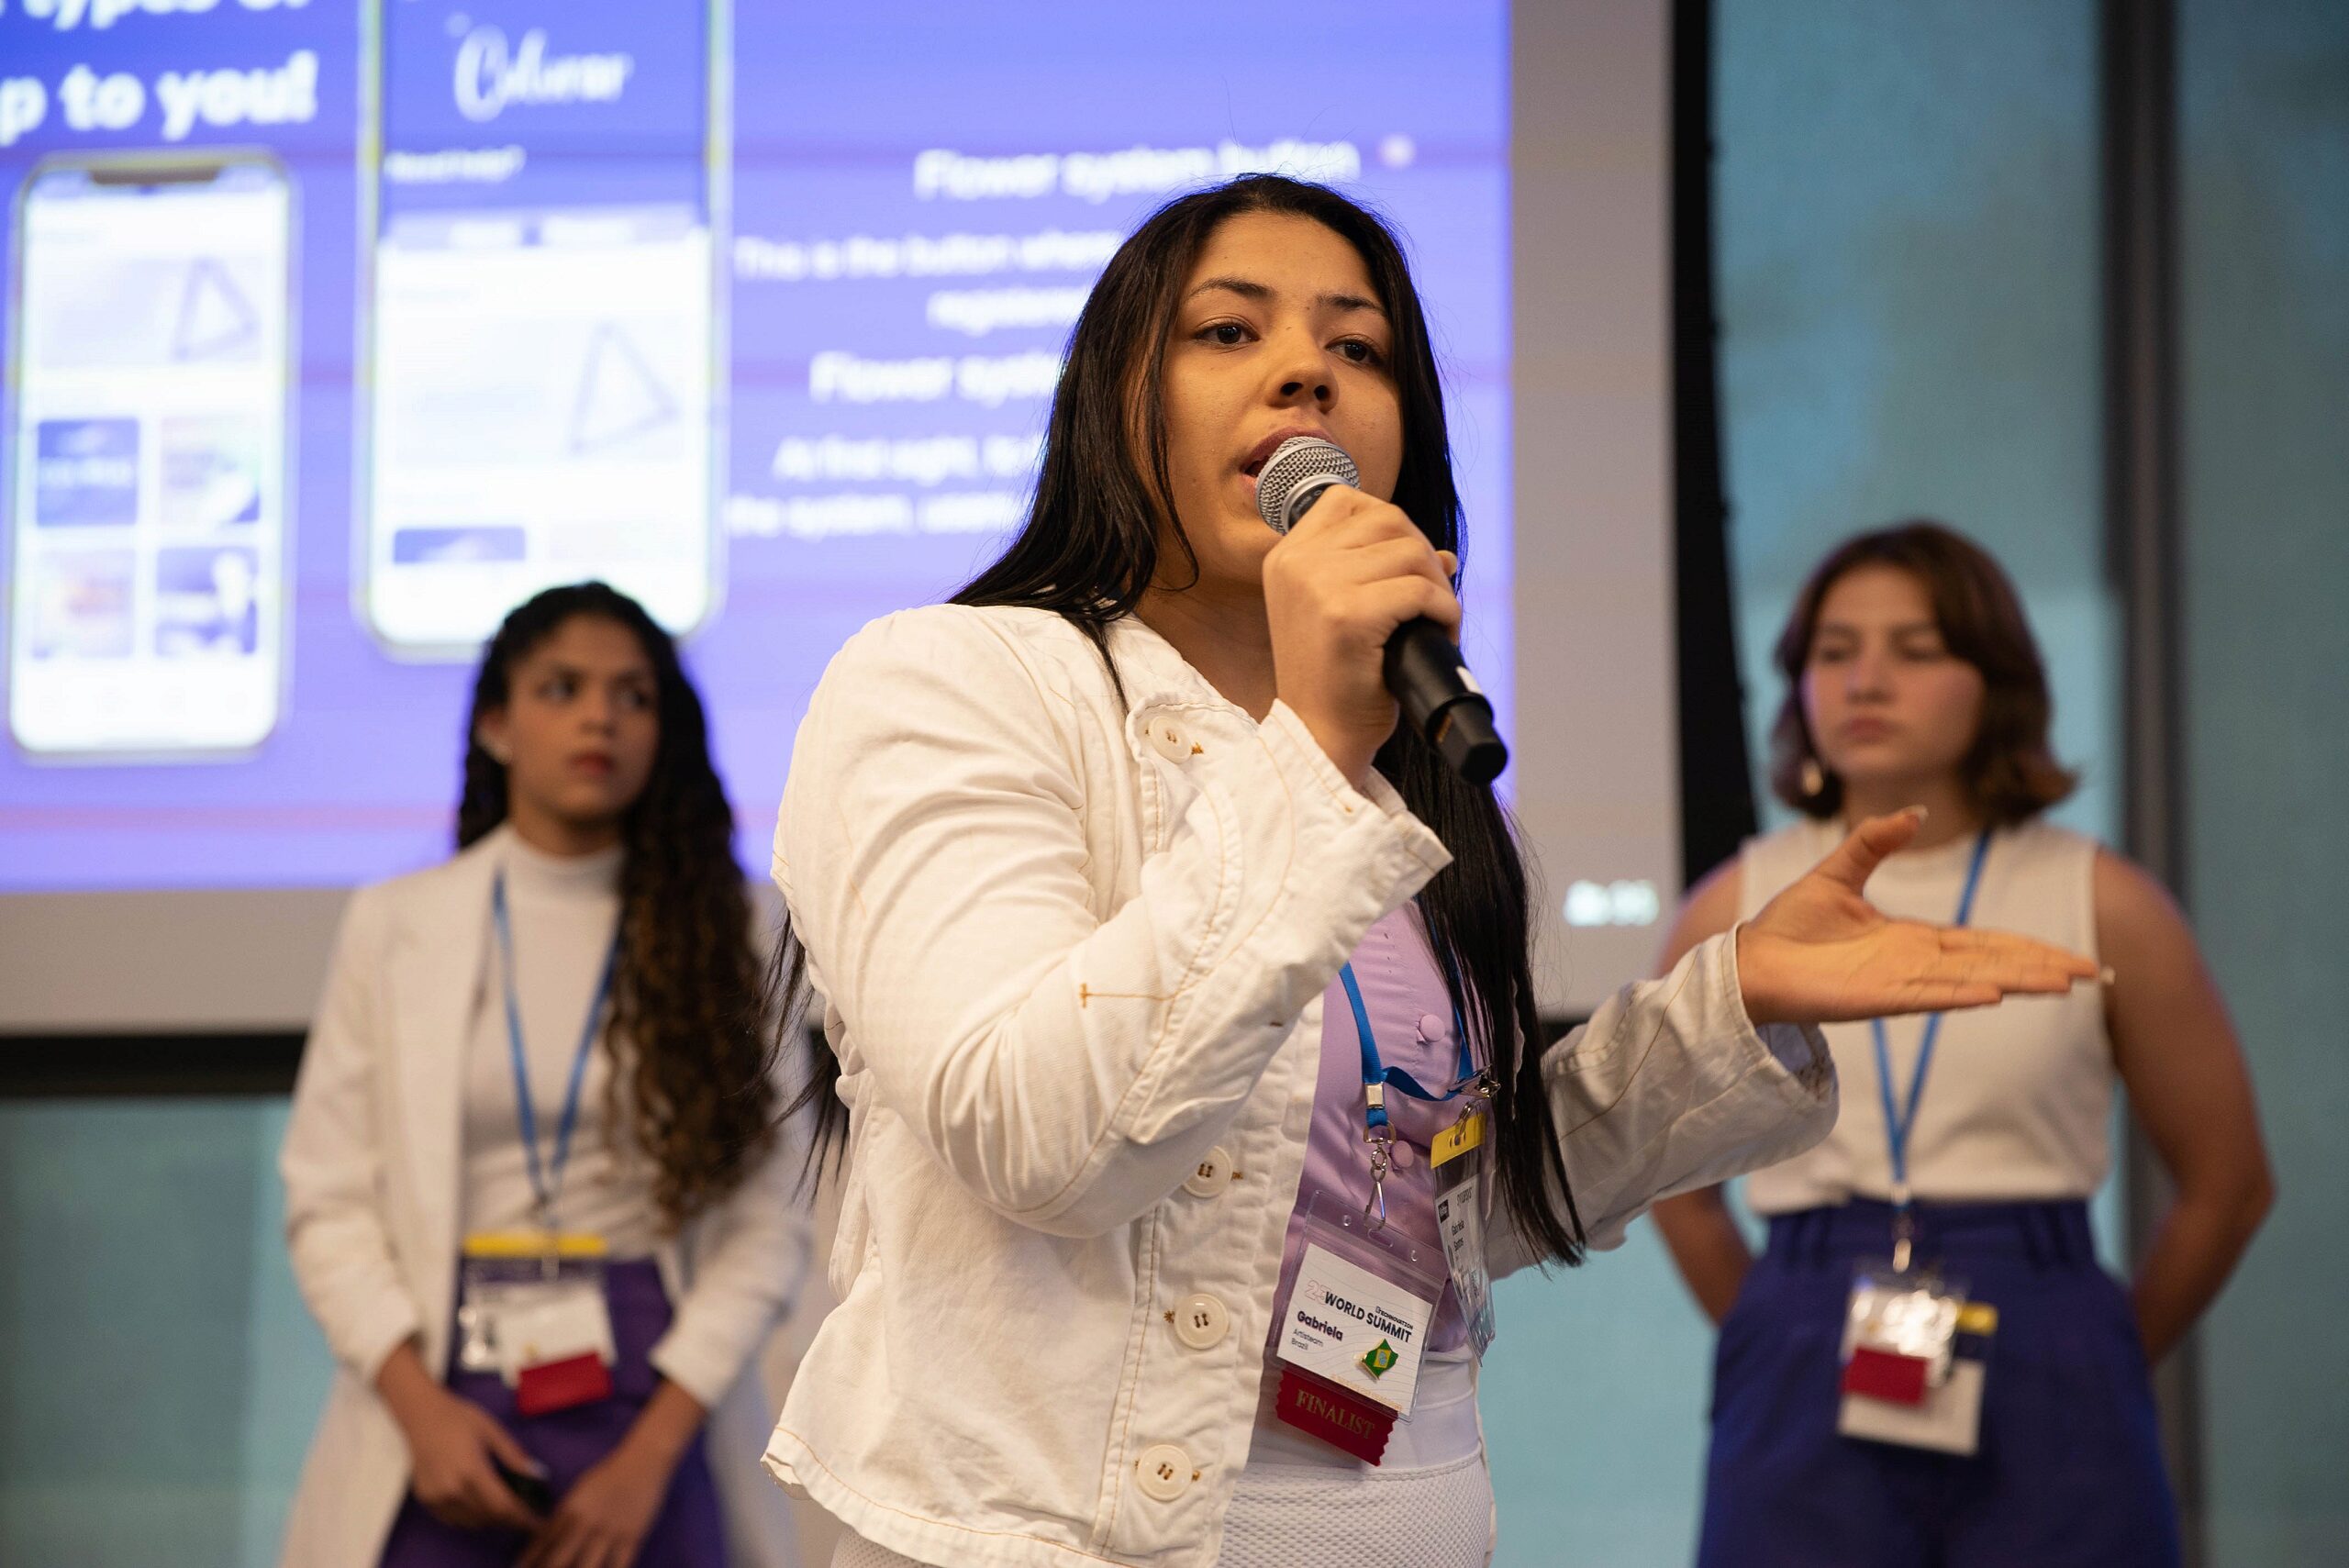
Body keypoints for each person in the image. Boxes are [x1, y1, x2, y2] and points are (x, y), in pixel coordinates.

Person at [756, 177, 2099, 1568]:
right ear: (1117, 399)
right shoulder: (956, 681)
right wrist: (1315, 749)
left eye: (1360, 350)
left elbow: (1440, 1194)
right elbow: (1041, 1136)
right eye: (1230, 332)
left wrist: (1735, 1005)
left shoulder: (1407, 776)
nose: (1305, 373)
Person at [1652, 522, 2274, 1567]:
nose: (1867, 680)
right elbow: (1675, 1182)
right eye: (1834, 651)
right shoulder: (1736, 900)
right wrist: (1778, 1323)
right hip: (1812, 1313)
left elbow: (2227, 1181)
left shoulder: (2103, 898)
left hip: (2040, 1316)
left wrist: (2095, 1350)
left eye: (1917, 647)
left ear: (1996, 679)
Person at [279, 582, 810, 1568]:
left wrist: (649, 1456)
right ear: (495, 722)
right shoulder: (396, 923)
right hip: (435, 1389)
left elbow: (770, 1218)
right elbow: (327, 1200)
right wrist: (421, 1414)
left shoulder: (741, 930)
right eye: (561, 687)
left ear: (665, 730)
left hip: (659, 1390)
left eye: (632, 695)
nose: (599, 715)